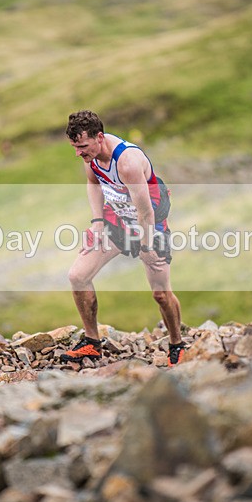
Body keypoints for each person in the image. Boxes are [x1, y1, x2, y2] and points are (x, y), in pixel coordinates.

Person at [61, 110, 185, 367]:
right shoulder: (91, 155)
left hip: (149, 223)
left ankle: (177, 344)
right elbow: (93, 184)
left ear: (99, 137)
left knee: (161, 294)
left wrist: (147, 246)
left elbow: (146, 211)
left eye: (82, 147)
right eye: (74, 147)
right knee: (77, 276)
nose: (78, 153)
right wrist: (97, 223)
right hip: (116, 221)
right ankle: (92, 343)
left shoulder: (127, 163)